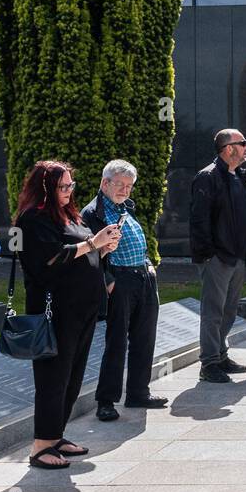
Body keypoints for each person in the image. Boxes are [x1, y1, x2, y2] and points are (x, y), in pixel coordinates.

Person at [15, 161, 121, 465]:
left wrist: (102, 249)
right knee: (53, 377)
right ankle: (40, 446)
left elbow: (82, 252)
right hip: (55, 310)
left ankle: (55, 435)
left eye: (70, 185)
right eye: (63, 186)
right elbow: (49, 259)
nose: (68, 191)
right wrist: (92, 243)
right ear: (45, 187)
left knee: (72, 377)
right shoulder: (32, 219)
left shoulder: (68, 215)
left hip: (81, 309)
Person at [81, 160, 168, 421]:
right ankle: (106, 401)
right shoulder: (92, 213)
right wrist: (107, 279)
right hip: (119, 281)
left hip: (142, 278)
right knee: (116, 343)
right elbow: (89, 251)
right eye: (120, 184)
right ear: (104, 183)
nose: (125, 190)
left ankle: (138, 392)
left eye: (129, 186)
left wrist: (149, 265)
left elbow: (141, 240)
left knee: (144, 339)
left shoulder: (124, 208)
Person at [189, 129, 246, 383]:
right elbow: (199, 220)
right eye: (243, 143)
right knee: (213, 311)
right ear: (229, 149)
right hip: (216, 258)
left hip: (236, 256)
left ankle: (221, 354)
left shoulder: (237, 175)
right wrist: (208, 255)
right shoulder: (208, 177)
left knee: (229, 310)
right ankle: (209, 363)